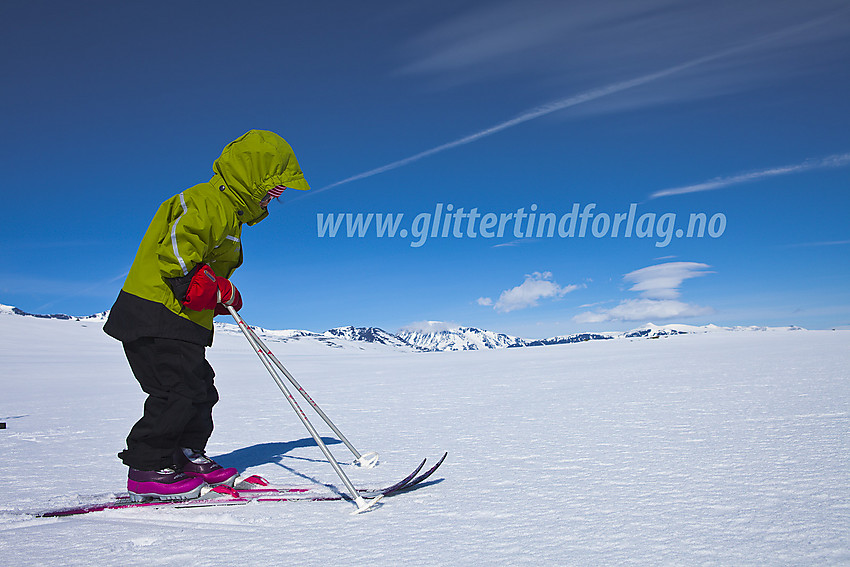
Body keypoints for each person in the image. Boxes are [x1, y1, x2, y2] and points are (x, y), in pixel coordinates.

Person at [104, 130, 311, 500]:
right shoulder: (203, 200)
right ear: (252, 176)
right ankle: (148, 467)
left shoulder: (231, 218)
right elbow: (178, 248)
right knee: (175, 391)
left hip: (183, 321)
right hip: (155, 312)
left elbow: (205, 276)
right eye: (274, 185)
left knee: (200, 390)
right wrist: (201, 283)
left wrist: (217, 294)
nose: (276, 196)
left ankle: (185, 454)